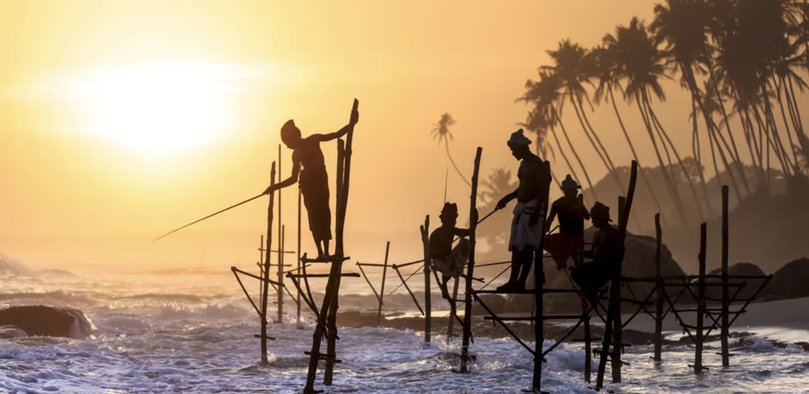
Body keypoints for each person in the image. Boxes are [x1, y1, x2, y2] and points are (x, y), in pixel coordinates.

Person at [264, 103, 359, 258]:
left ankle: (326, 252)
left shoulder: (314, 139)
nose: (288, 147)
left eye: (288, 143)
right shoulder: (296, 154)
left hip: (320, 179)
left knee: (324, 214)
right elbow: (293, 178)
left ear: (294, 137)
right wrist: (274, 186)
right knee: (314, 216)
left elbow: (336, 134)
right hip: (308, 184)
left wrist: (352, 124)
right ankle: (320, 252)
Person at [495, 129, 551, 292]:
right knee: (517, 247)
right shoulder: (523, 164)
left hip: (533, 209)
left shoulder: (536, 164)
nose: (512, 153)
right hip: (523, 208)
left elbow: (542, 190)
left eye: (513, 149)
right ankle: (513, 281)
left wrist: (536, 213)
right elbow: (522, 188)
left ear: (521, 147)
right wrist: (507, 198)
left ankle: (520, 282)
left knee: (526, 248)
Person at [570, 201, 624, 304]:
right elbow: (591, 253)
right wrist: (578, 252)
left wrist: (614, 270)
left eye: (594, 218)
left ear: (601, 218)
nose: (593, 221)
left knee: (592, 282)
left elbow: (620, 253)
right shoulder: (597, 234)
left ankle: (591, 292)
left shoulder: (614, 234)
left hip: (607, 269)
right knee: (575, 273)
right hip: (597, 266)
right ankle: (590, 293)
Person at [429, 202, 475, 300]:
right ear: (445, 220)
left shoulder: (451, 230)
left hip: (448, 259)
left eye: (454, 219)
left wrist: (474, 223)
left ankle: (451, 276)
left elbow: (466, 232)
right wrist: (441, 253)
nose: (454, 222)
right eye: (452, 220)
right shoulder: (436, 233)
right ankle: (445, 284)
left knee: (465, 243)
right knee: (448, 266)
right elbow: (430, 254)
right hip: (439, 261)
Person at [544, 175, 590, 270]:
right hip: (565, 237)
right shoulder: (558, 204)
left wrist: (580, 207)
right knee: (545, 242)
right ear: (569, 191)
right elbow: (550, 220)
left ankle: (570, 262)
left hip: (577, 238)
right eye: (574, 190)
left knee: (574, 251)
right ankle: (563, 260)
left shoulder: (576, 202)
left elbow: (587, 216)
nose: (576, 192)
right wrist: (544, 231)